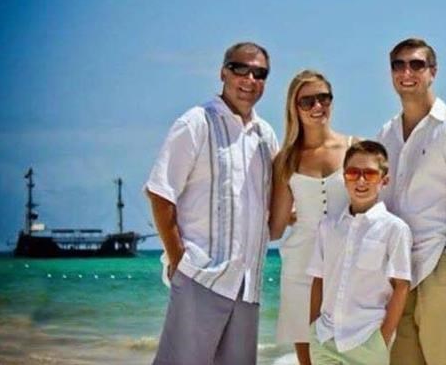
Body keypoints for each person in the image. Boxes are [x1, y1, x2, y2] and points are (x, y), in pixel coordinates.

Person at [144, 42, 279, 365]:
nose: (249, 79)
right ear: (223, 73)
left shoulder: (266, 136)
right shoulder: (196, 122)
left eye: (259, 73)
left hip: (247, 286)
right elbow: (160, 193)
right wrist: (179, 261)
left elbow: (277, 206)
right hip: (201, 277)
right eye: (240, 69)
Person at [377, 37, 446, 364]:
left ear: (433, 72)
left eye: (416, 65)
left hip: (441, 267)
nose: (406, 72)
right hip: (397, 272)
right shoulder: (385, 135)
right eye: (398, 65)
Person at [269, 70, 353, 365]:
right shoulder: (286, 159)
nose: (318, 106)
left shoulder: (354, 148)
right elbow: (275, 228)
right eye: (307, 101)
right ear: (294, 107)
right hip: (300, 265)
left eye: (323, 98)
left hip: (348, 265)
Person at [307, 140, 412, 365]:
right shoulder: (328, 227)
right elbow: (318, 279)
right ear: (344, 178)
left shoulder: (395, 229)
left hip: (366, 341)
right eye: (353, 173)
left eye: (370, 174)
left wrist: (382, 340)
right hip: (325, 339)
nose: (361, 181)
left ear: (384, 180)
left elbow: (401, 286)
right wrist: (313, 328)